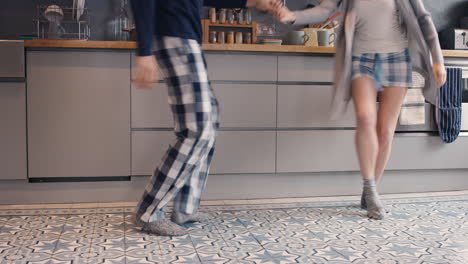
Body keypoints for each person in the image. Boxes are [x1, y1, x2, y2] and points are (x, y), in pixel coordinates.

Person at [272, 0, 446, 219]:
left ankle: (371, 187)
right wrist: (291, 16)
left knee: (384, 133)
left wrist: (437, 58)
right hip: (361, 59)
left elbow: (423, 18)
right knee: (365, 117)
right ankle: (371, 189)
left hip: (397, 59)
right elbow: (325, 10)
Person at [129, 0, 279, 236]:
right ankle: (149, 211)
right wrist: (144, 52)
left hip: (185, 38)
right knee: (197, 128)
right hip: (174, 35)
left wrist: (251, 2)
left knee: (210, 119)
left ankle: (186, 208)